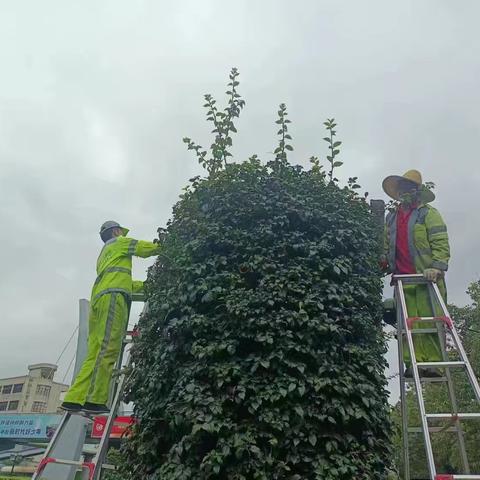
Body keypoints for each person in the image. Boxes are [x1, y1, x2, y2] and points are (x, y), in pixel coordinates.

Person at [61, 221, 161, 413]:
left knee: (95, 352)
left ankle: (75, 398)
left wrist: (149, 286)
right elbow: (145, 248)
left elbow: (125, 282)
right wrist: (169, 245)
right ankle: (94, 399)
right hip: (113, 298)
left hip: (100, 299)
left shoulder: (104, 256)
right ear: (116, 231)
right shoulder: (120, 242)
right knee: (108, 350)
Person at [382, 170, 450, 377]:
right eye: (403, 188)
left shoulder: (429, 214)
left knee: (429, 321)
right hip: (403, 280)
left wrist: (437, 268)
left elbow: (440, 242)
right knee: (406, 325)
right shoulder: (392, 217)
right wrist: (383, 262)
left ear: (417, 192)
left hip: (426, 278)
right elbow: (386, 245)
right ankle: (411, 363)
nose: (405, 192)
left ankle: (432, 363)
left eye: (410, 188)